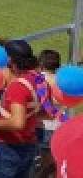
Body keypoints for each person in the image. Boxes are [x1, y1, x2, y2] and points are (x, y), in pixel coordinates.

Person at [0, 39, 43, 178]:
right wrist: (4, 109)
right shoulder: (38, 79)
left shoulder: (17, 86)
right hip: (29, 145)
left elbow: (17, 123)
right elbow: (42, 111)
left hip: (8, 148)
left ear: (10, 59)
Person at [34, 49, 63, 178]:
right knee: (52, 161)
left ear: (41, 64)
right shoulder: (62, 80)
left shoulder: (39, 80)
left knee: (43, 164)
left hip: (42, 126)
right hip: (59, 126)